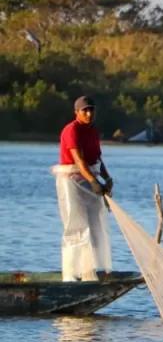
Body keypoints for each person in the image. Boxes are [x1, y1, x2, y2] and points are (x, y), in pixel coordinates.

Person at [52, 96, 113, 282]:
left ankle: (89, 272)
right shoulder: (72, 130)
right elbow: (78, 160)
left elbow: (96, 159)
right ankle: (71, 275)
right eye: (84, 110)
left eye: (91, 109)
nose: (88, 113)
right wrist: (95, 183)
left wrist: (107, 178)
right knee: (76, 227)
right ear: (76, 112)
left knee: (95, 226)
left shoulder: (93, 131)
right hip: (72, 182)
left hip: (89, 180)